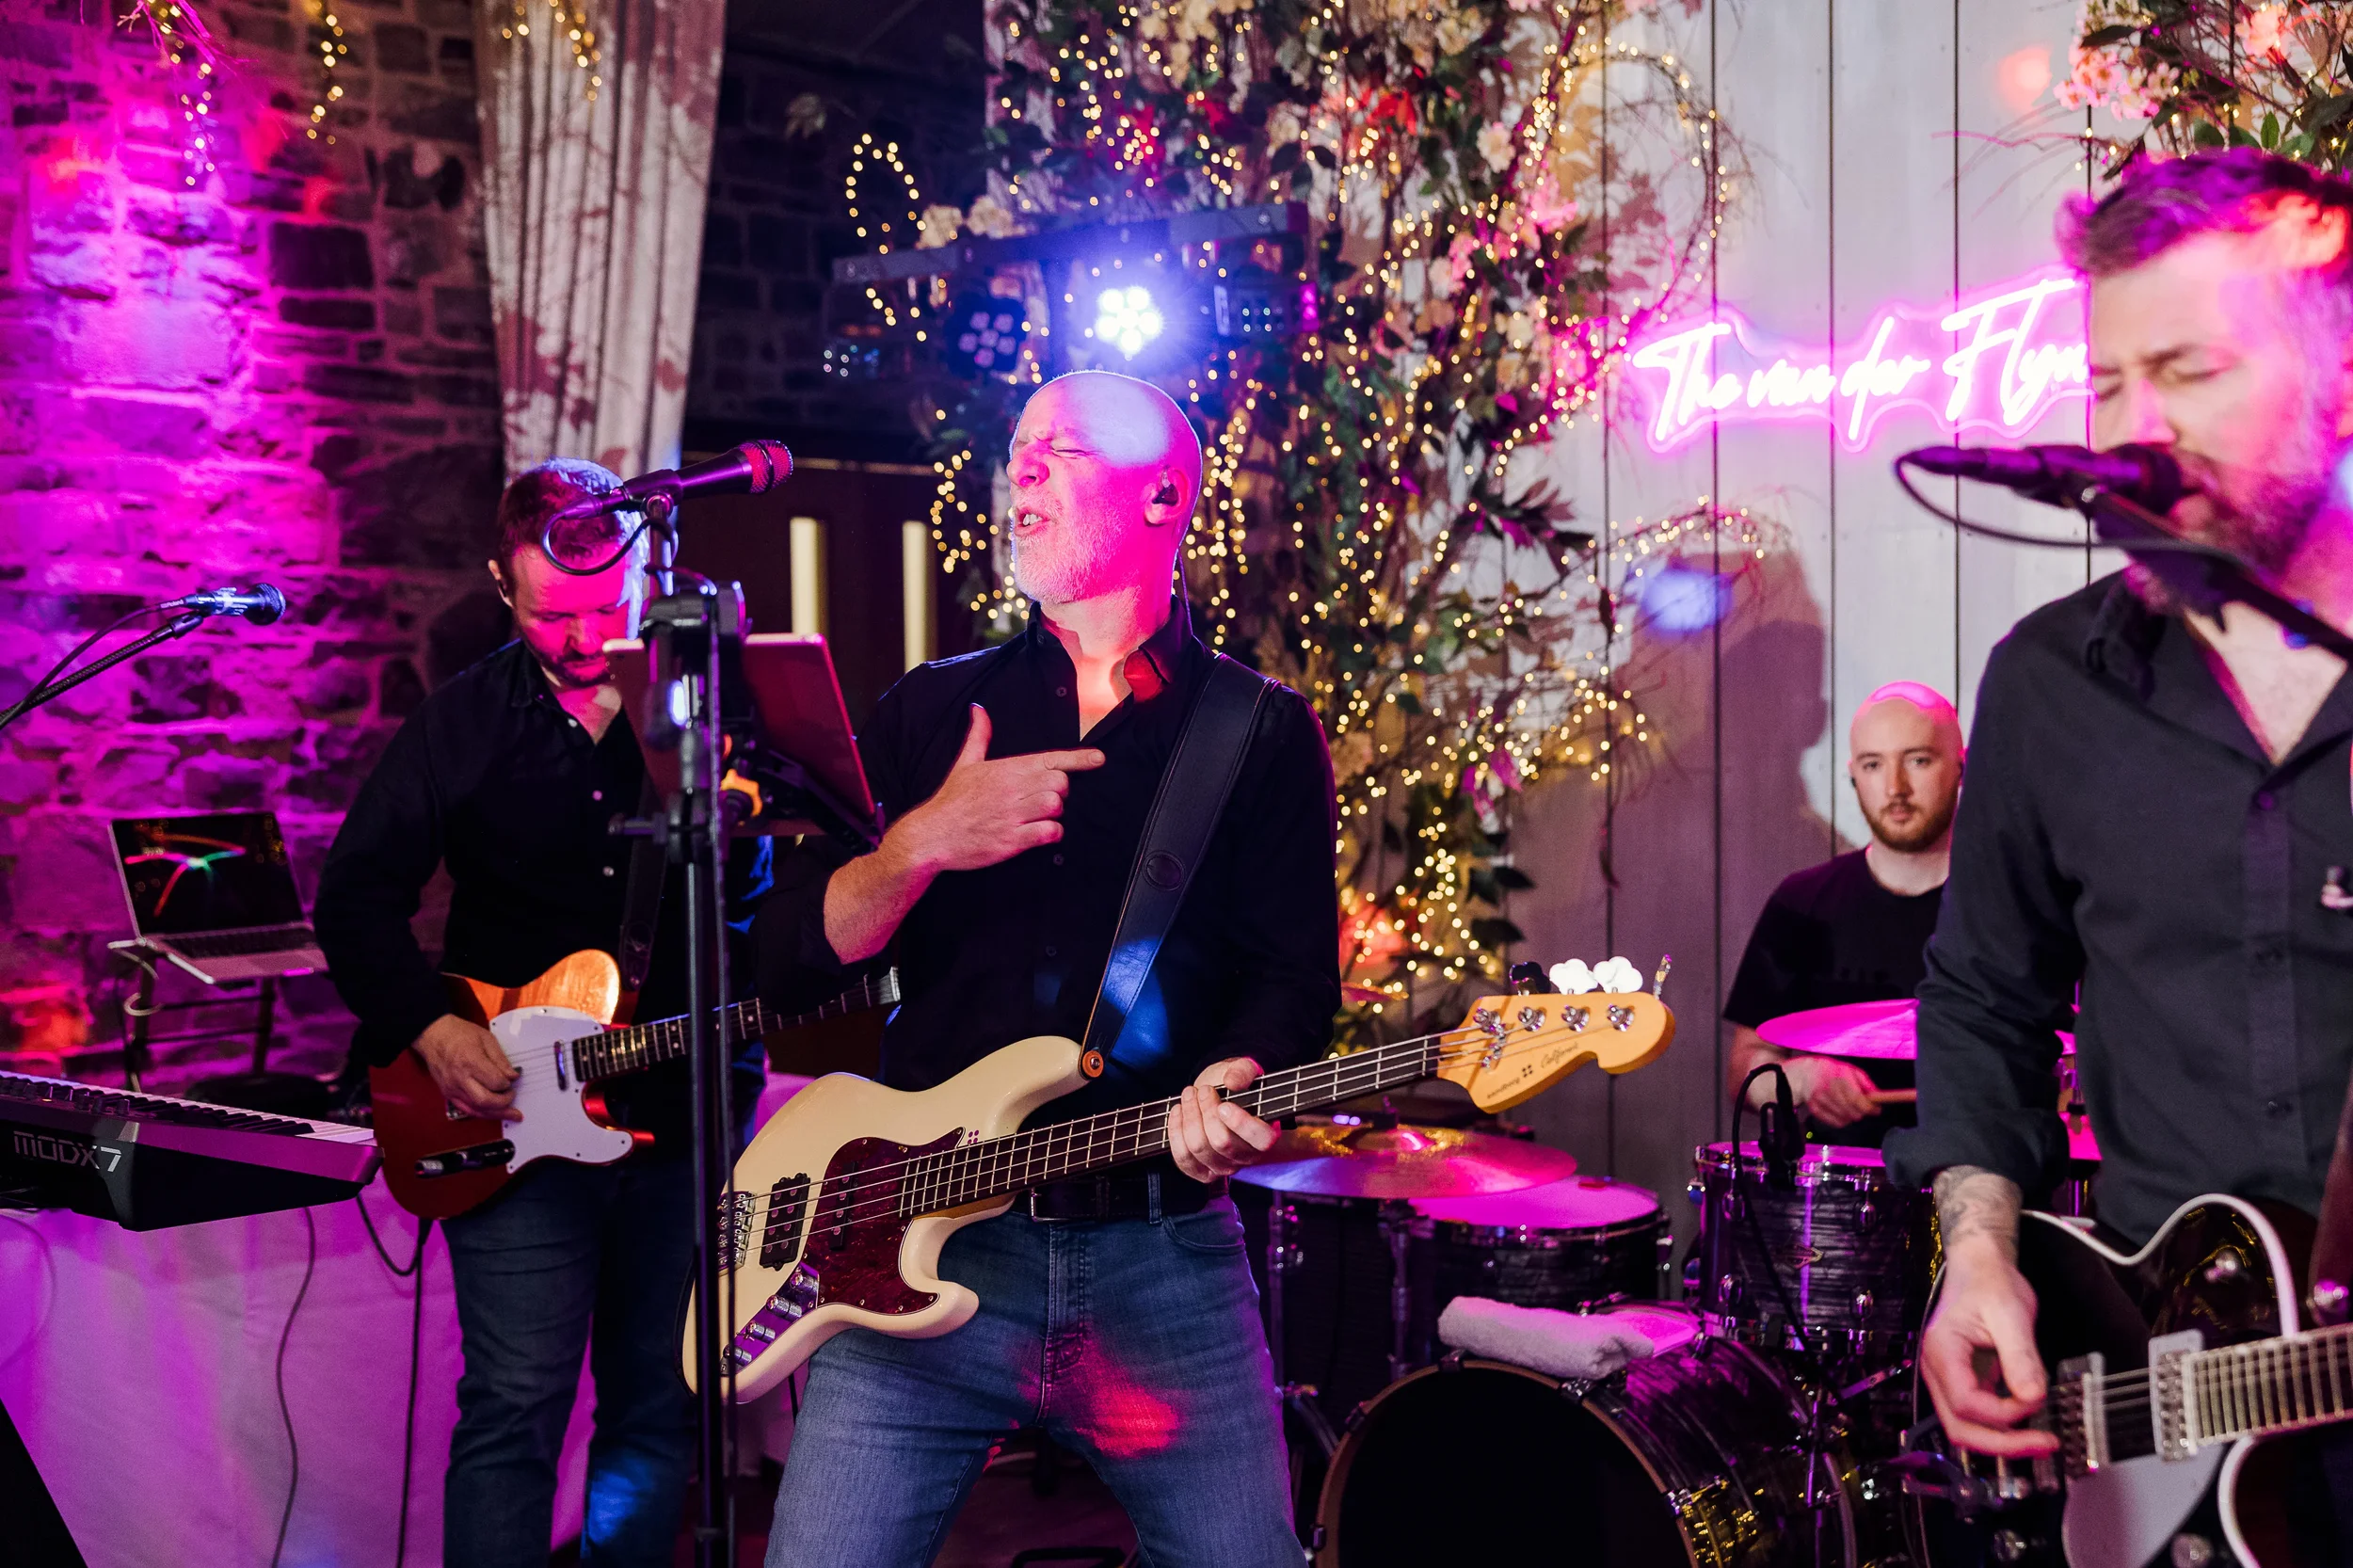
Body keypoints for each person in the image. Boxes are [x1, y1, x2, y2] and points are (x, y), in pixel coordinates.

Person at [751, 369, 1339, 1568]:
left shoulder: (1259, 729)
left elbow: (1292, 981)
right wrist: (920, 845)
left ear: (1165, 493)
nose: (1017, 470)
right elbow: (788, 963)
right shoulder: (928, 713)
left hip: (1161, 1260)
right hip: (919, 1246)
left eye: (1060, 449)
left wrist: (1238, 1073)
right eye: (1015, 449)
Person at [1886, 147, 2353, 1532]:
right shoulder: (2051, 682)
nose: (2131, 433)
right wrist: (1976, 1253)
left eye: (2192, 371)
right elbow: (1984, 998)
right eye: (2106, 383)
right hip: (2164, 1409)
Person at [314, 459, 767, 1567]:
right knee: (514, 1406)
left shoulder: (707, 698)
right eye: (549, 614)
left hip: (679, 1109)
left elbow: (767, 899)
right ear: (500, 587)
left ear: (644, 573)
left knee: (658, 1405)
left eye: (602, 612)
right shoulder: (462, 722)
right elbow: (354, 897)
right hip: (507, 1114)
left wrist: (739, 826)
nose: (578, 638)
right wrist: (429, 1025)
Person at [1721, 681, 1963, 1145]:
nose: (1896, 788)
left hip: (1983, 1184)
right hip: (1837, 1194)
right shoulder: (1802, 903)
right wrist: (1805, 1077)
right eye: (1874, 765)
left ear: (1959, 766)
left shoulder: (2011, 911)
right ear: (1854, 775)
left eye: (1918, 759)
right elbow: (1743, 1069)